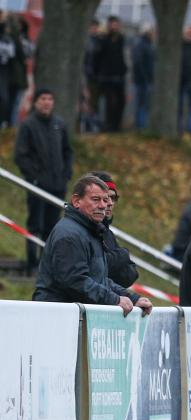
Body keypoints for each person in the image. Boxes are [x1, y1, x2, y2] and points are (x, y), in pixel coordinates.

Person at [33, 174, 152, 316]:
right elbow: (75, 281)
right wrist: (114, 300)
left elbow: (99, 279)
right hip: (56, 317)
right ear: (76, 201)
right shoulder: (69, 235)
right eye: (96, 199)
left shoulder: (91, 231)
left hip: (74, 316)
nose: (103, 205)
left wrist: (132, 299)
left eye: (105, 200)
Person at [13, 88, 73, 273]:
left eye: (50, 99)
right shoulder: (28, 125)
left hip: (57, 186)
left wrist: (66, 174)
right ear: (36, 102)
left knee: (52, 227)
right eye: (43, 99)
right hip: (37, 186)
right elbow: (20, 155)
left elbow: (67, 151)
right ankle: (32, 263)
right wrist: (34, 177)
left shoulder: (59, 124)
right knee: (35, 225)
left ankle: (47, 265)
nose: (47, 102)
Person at [89, 171, 138, 289]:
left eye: (113, 197)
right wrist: (123, 254)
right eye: (106, 197)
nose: (110, 203)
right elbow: (96, 268)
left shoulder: (108, 233)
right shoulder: (82, 229)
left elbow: (131, 274)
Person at [93, 16, 127, 132]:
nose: (115, 27)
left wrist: (124, 70)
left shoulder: (121, 39)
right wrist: (98, 73)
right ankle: (109, 125)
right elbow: (97, 57)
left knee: (121, 102)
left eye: (117, 24)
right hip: (107, 76)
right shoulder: (103, 39)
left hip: (119, 76)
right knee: (109, 102)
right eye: (113, 24)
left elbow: (123, 57)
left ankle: (117, 125)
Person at [131, 24, 155, 130]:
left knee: (143, 105)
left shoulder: (148, 44)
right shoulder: (141, 44)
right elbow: (138, 63)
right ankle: (141, 126)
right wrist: (146, 78)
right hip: (143, 81)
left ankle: (141, 125)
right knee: (142, 104)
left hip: (145, 80)